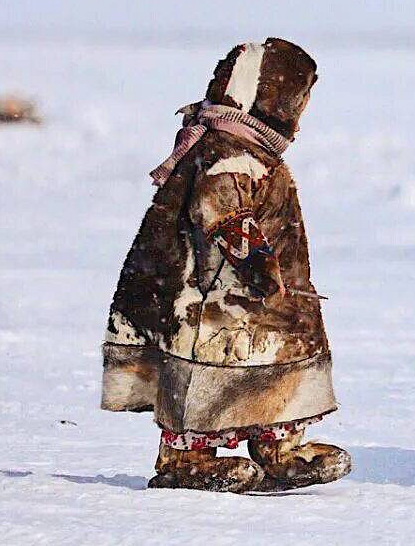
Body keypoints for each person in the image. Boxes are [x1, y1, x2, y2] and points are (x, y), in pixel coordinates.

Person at [101, 38, 352, 493]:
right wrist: (256, 263)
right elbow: (218, 210)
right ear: (275, 98)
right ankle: (186, 457)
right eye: (299, 99)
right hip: (215, 297)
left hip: (263, 300)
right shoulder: (228, 152)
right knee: (209, 371)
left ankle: (277, 444)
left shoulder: (245, 148)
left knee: (276, 359)